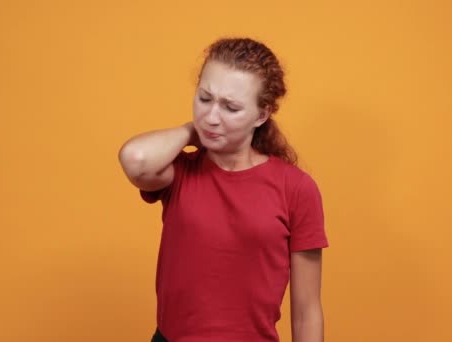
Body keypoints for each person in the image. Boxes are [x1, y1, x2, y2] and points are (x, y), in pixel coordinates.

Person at [118, 37, 328, 342]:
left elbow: (306, 311)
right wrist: (192, 130)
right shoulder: (181, 171)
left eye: (230, 107)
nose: (212, 117)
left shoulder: (295, 188)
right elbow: (135, 160)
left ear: (261, 115)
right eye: (205, 99)